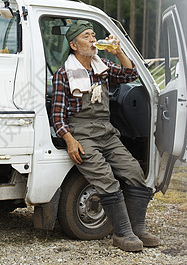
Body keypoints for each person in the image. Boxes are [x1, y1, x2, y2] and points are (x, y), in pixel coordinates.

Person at [51, 20, 160, 252]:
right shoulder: (64, 75)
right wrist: (70, 140)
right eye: (86, 37)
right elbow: (58, 117)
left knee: (134, 171)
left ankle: (138, 228)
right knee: (105, 178)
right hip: (81, 133)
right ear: (73, 44)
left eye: (93, 35)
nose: (92, 40)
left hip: (106, 131)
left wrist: (119, 51)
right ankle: (123, 234)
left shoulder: (103, 67)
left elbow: (131, 73)